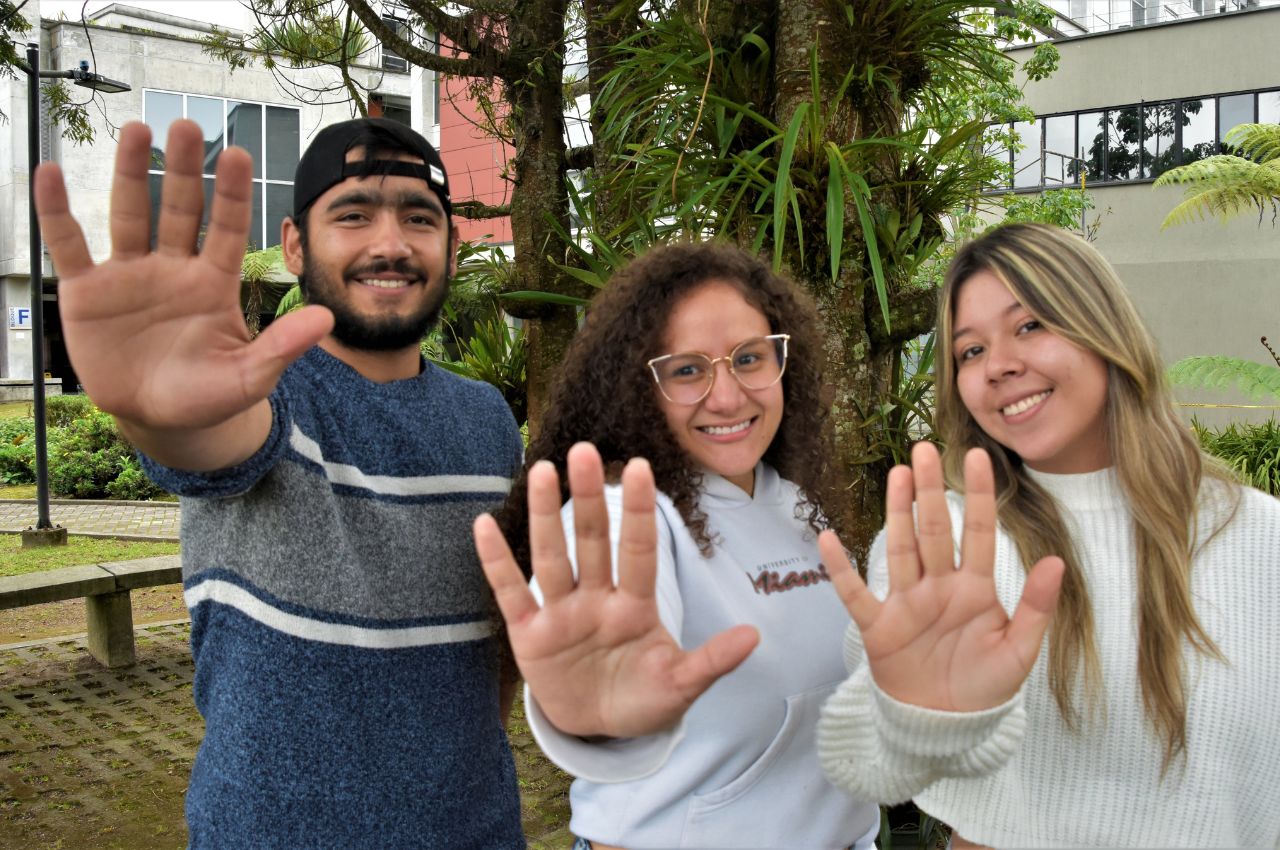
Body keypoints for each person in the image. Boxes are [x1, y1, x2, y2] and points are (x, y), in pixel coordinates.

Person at [33, 117, 526, 848]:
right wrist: (157, 410)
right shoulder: (265, 395)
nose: (390, 244)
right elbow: (212, 436)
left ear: (452, 247)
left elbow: (499, 638)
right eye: (353, 214)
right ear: (295, 244)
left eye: (420, 219)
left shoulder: (487, 419)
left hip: (477, 830)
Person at [816, 223, 1280, 848]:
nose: (1000, 366)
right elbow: (873, 769)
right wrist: (918, 719)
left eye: (1029, 325)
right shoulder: (945, 545)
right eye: (970, 351)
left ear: (1104, 329)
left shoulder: (1258, 536)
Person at [474, 242, 881, 849]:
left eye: (749, 358)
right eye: (687, 369)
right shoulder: (628, 514)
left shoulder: (797, 505)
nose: (726, 396)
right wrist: (600, 723)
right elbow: (612, 637)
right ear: (640, 387)